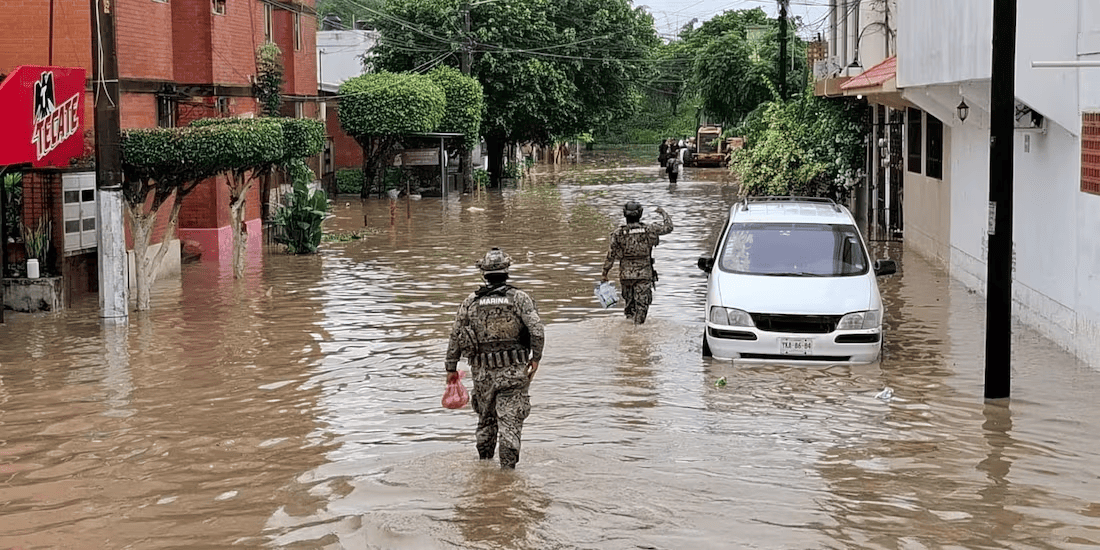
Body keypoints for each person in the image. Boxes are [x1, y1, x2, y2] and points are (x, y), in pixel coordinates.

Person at [445, 247, 545, 469]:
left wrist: (451, 367)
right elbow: (537, 331)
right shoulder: (520, 299)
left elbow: (456, 335)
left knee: (486, 420)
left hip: (482, 374)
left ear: (484, 273)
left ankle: (484, 468)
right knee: (510, 422)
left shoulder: (470, 302)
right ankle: (507, 475)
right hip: (513, 371)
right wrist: (536, 358)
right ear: (506, 271)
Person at [601, 202, 674, 324]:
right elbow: (669, 227)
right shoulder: (650, 229)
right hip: (643, 275)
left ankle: (628, 331)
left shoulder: (618, 233)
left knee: (629, 307)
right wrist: (663, 213)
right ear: (640, 214)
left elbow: (611, 255)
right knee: (642, 308)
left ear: (625, 214)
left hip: (626, 276)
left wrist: (604, 273)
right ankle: (638, 332)